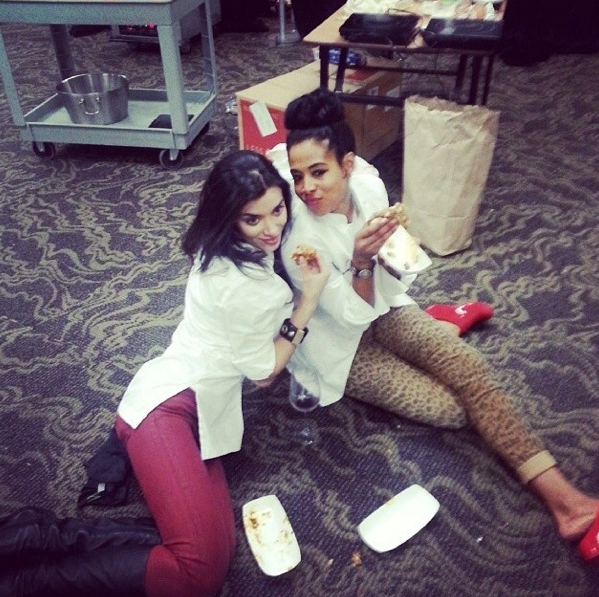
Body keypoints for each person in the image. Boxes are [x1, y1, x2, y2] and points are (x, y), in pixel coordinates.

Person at [271, 87, 599, 544]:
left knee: (470, 368)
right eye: (298, 176)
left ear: (348, 165)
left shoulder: (368, 185)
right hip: (339, 342)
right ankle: (444, 321)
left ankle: (568, 503)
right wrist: (361, 261)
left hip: (386, 307)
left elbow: (392, 275)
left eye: (318, 172)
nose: (306, 187)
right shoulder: (297, 239)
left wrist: (389, 253)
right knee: (450, 409)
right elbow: (349, 318)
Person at [0, 150, 330, 597]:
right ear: (229, 219)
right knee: (199, 575)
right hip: (164, 412)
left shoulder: (220, 248)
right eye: (252, 219)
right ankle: (27, 579)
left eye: (277, 210)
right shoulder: (248, 289)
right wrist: (307, 301)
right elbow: (264, 373)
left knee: (218, 546)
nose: (271, 228)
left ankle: (47, 538)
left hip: (192, 402)